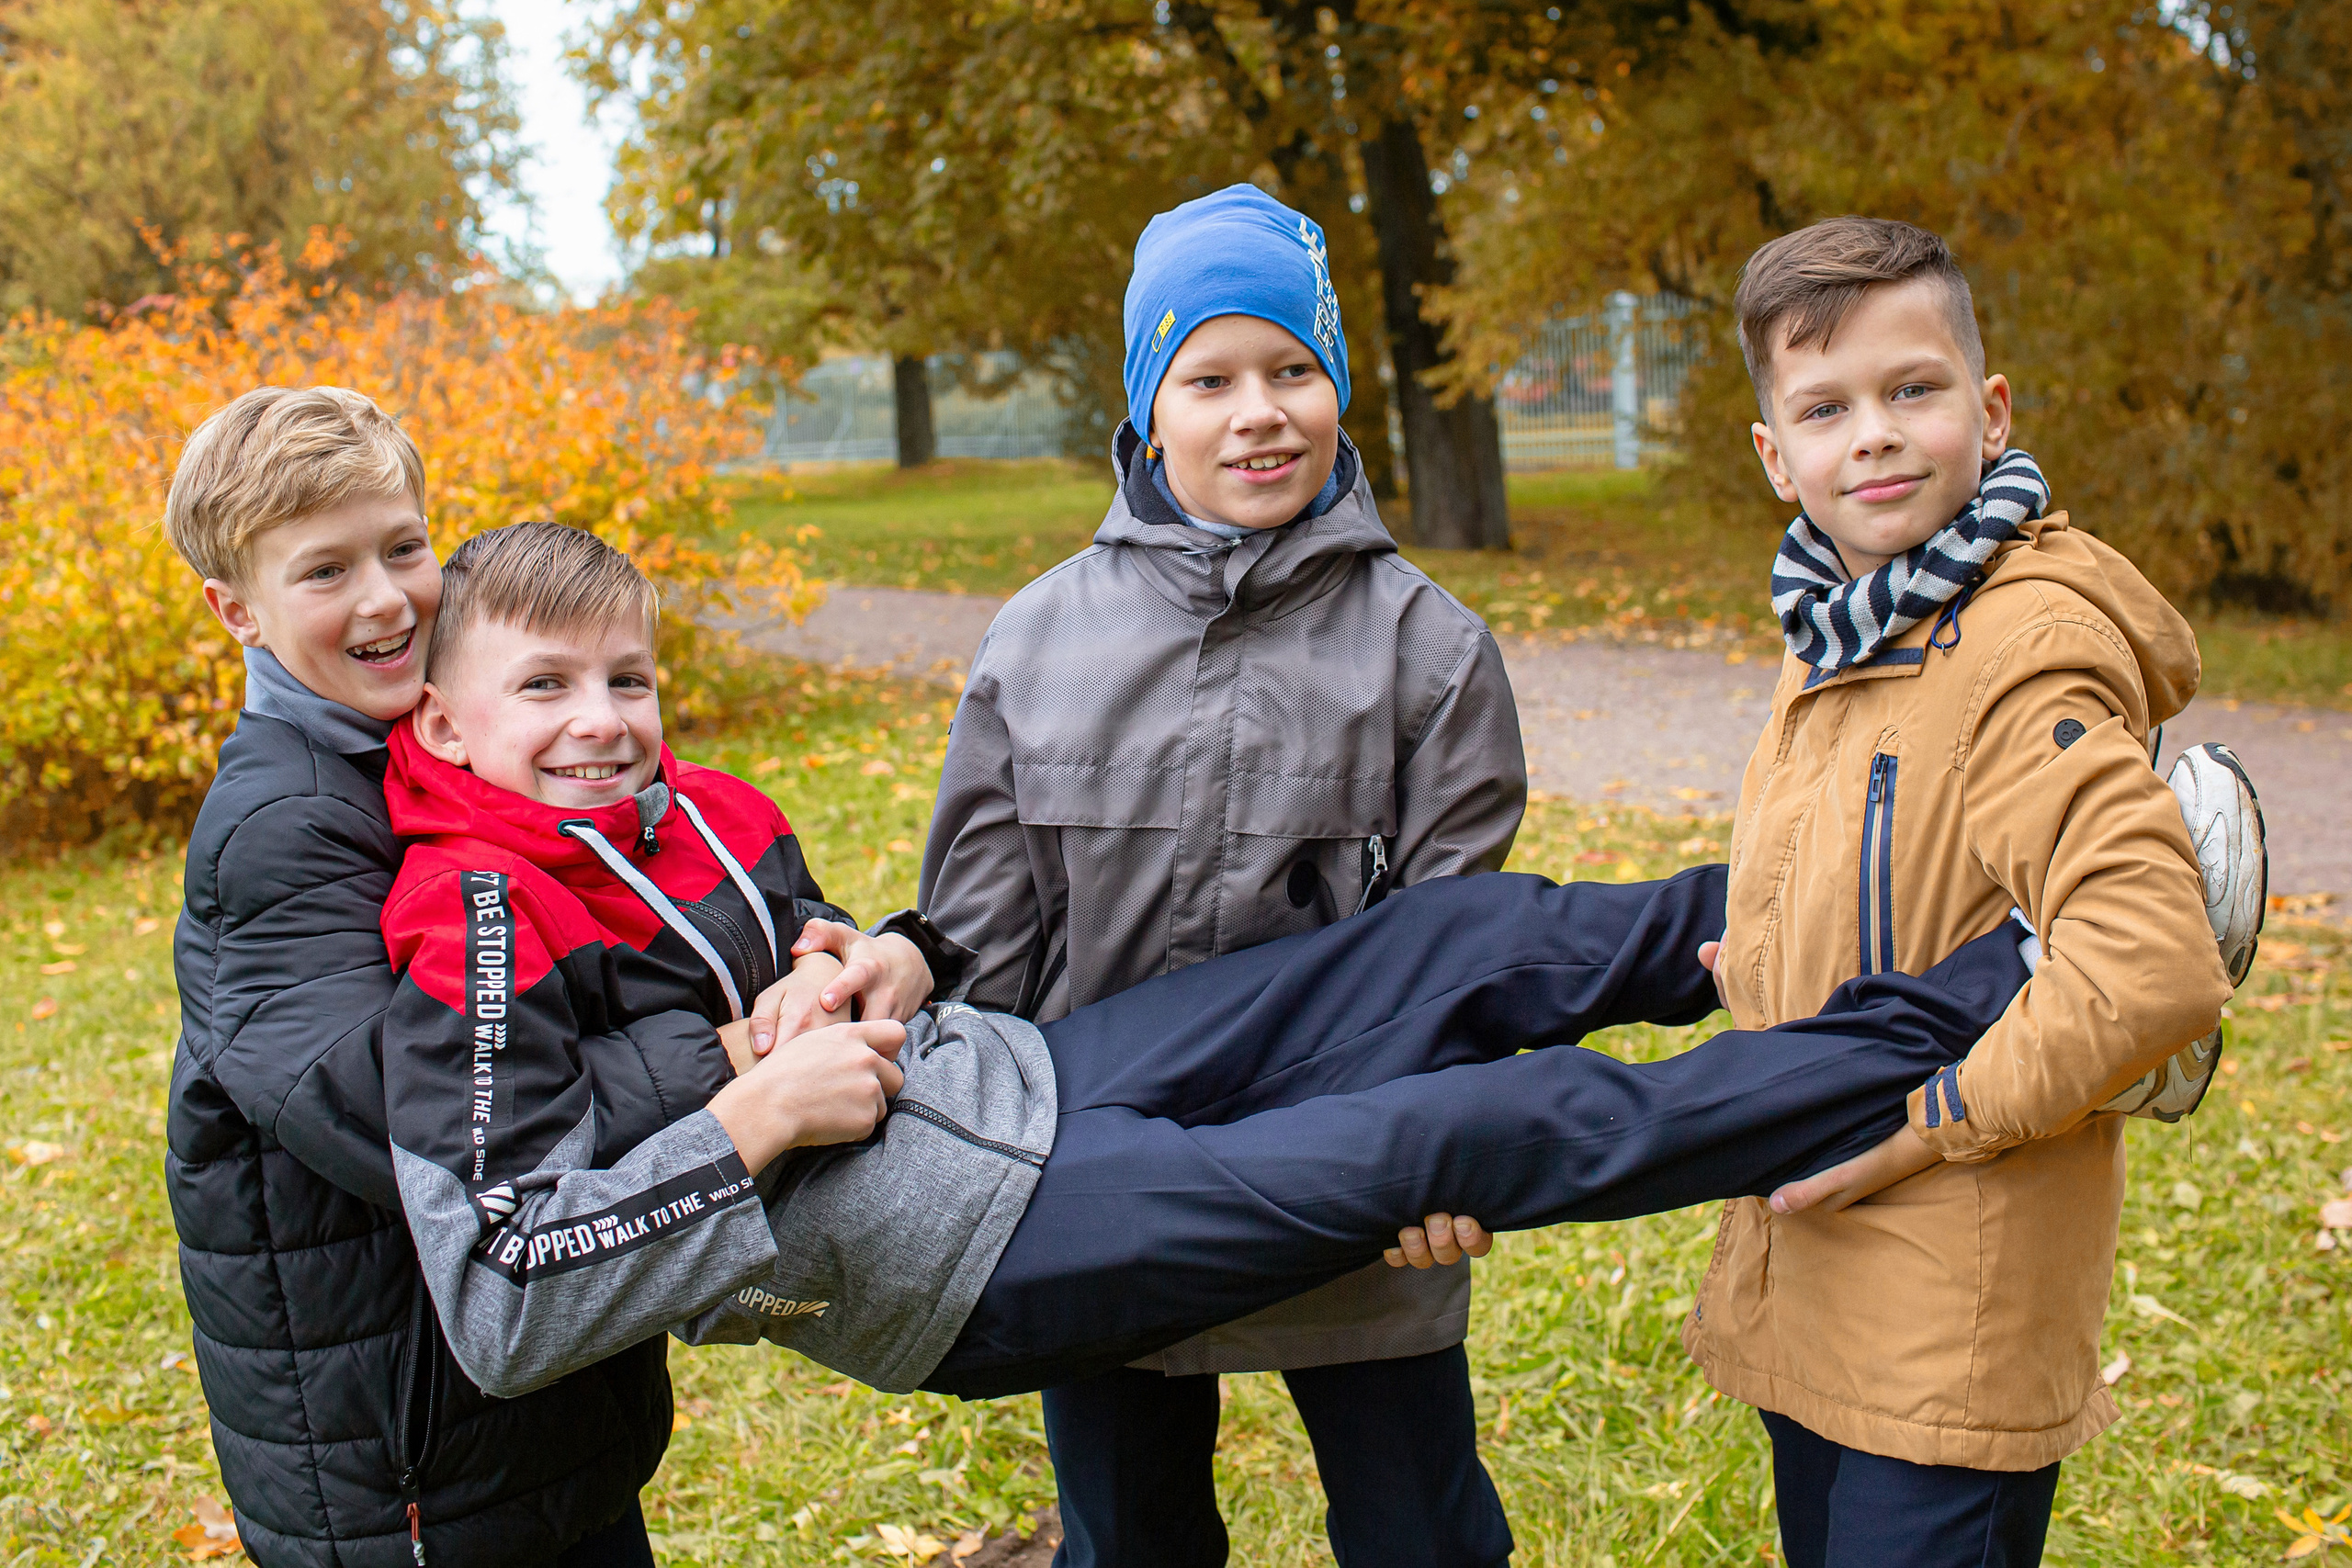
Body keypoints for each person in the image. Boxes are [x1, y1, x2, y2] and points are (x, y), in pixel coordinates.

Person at [376, 522, 2040, 1463]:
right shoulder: (472, 923)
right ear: (446, 725)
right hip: (963, 1255)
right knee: (1465, 1125)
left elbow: (798, 957)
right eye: (546, 685)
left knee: (1460, 942)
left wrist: (849, 957)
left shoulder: (697, 811)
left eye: (629, 677)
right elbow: (505, 1299)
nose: (603, 719)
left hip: (1018, 1077)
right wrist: (749, 1121)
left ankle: (1923, 886)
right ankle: (1990, 990)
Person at [161, 395, 918, 1568]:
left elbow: (628, 925)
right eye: (324, 571)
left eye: (402, 548)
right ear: (237, 611)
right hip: (409, 1451)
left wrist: (823, 956)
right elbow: (418, 1124)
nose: (385, 599)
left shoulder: (458, 755)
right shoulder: (285, 826)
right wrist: (728, 1060)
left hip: (539, 1407)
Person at [918, 181, 1526, 1568]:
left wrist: (1440, 1149)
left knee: (1419, 1525)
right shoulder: (1037, 641)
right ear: (1149, 408)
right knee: (1129, 1532)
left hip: (1354, 1179)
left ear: (1338, 390)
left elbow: (1455, 954)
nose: (1260, 412)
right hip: (1099, 1176)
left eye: (1293, 370)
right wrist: (967, 1166)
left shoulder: (1430, 651)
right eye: (1210, 378)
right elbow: (980, 939)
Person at [1679, 216, 2269, 1568]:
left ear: (1989, 410)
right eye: (1825, 408)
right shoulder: (1840, 628)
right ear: (1774, 453)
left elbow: (2148, 964)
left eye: (1912, 389)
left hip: (1951, 1299)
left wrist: (1930, 1124)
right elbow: (1895, 867)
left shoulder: (2023, 647)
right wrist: (1762, 952)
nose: (1873, 435)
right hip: (1814, 1254)